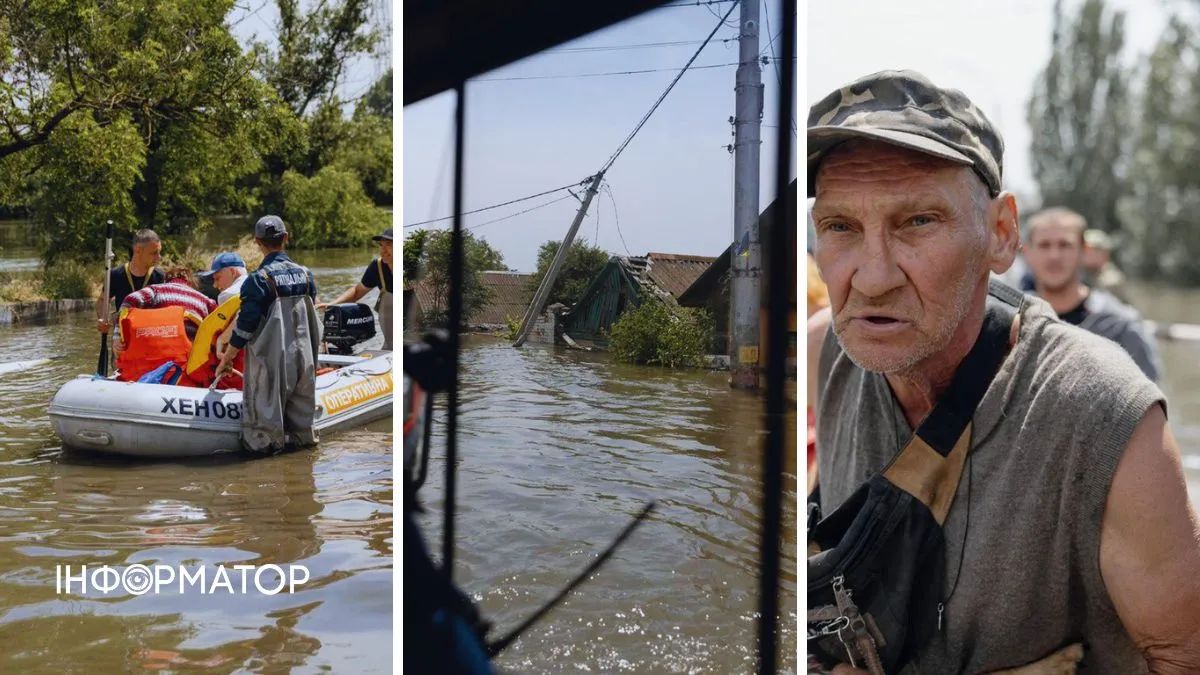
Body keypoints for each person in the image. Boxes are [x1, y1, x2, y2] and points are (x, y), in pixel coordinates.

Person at [807, 70, 1200, 673]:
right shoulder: (825, 354)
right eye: (840, 227)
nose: (874, 276)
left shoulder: (1105, 413)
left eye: (918, 222)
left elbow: (1180, 654)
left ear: (1000, 234)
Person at [216, 215, 320, 454]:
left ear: (257, 242)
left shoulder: (257, 280)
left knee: (264, 436)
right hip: (304, 361)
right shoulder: (306, 275)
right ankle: (304, 480)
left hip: (272, 363)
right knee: (304, 436)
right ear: (285, 238)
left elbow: (245, 327)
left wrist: (228, 357)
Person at [1024, 207, 1160, 381]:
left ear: (1083, 251)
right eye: (1044, 245)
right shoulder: (1010, 318)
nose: (1054, 256)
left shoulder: (1120, 326)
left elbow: (1149, 400)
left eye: (1065, 245)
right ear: (1027, 252)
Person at [114, 266, 216, 384]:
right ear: (191, 282)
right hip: (188, 363)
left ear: (166, 279)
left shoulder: (155, 290)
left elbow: (130, 300)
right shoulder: (206, 301)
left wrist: (117, 335)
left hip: (152, 358)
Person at [319, 227, 393, 350]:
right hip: (389, 348)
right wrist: (332, 305)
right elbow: (357, 292)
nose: (383, 250)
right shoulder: (378, 267)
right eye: (381, 245)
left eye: (389, 245)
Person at [95, 228, 165, 335]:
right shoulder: (116, 274)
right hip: (122, 338)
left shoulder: (160, 277)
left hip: (150, 337)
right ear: (137, 250)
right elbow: (102, 300)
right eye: (154, 253)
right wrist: (102, 319)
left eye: (159, 252)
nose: (159, 257)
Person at [1082, 227, 1133, 304]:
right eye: (1083, 248)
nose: (1085, 253)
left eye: (1090, 250)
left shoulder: (1111, 281)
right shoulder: (1081, 272)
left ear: (1104, 253)